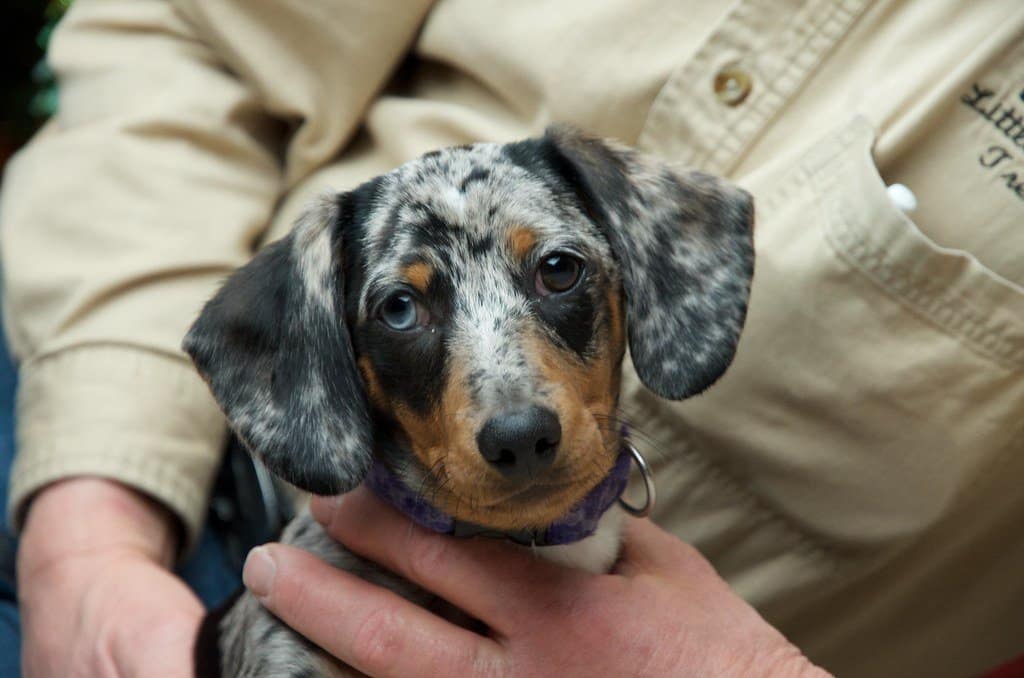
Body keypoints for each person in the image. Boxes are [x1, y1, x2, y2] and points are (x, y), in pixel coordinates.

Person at [2, 1, 1022, 676]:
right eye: (403, 307)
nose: (512, 414)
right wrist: (84, 546)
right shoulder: (298, 320)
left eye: (558, 273)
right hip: (121, 483)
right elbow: (202, 32)